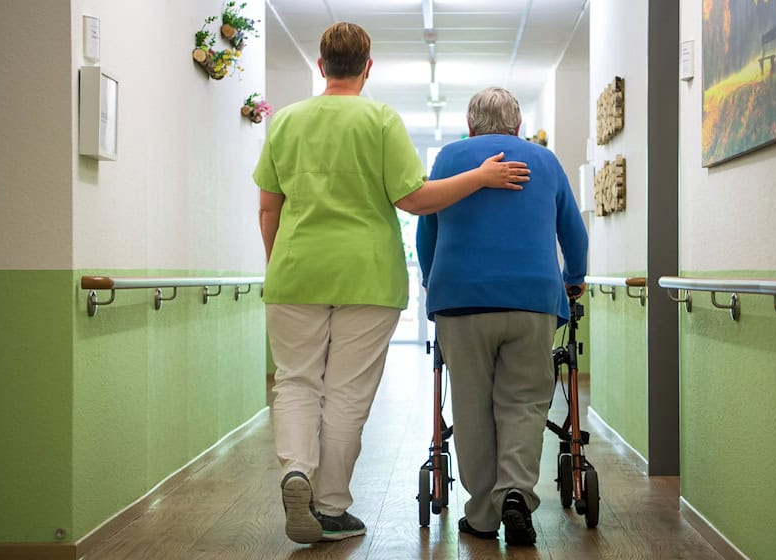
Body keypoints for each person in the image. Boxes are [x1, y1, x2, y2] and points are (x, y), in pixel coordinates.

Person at [252, 23, 530, 545]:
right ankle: (330, 506)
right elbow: (414, 198)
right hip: (367, 275)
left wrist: (280, 266)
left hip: (293, 273)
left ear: (320, 65)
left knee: (295, 381)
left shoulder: (285, 121)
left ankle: (296, 473)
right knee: (347, 394)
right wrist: (481, 178)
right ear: (368, 66)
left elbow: (269, 207)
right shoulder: (379, 118)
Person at [416, 87, 588, 546]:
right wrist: (576, 277)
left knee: (471, 406)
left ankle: (482, 515)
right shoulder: (544, 160)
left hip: (461, 300)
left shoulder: (450, 157)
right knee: (525, 403)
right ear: (517, 128)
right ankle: (516, 491)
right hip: (532, 299)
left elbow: (426, 230)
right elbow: (573, 230)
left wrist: (434, 282)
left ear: (470, 127)